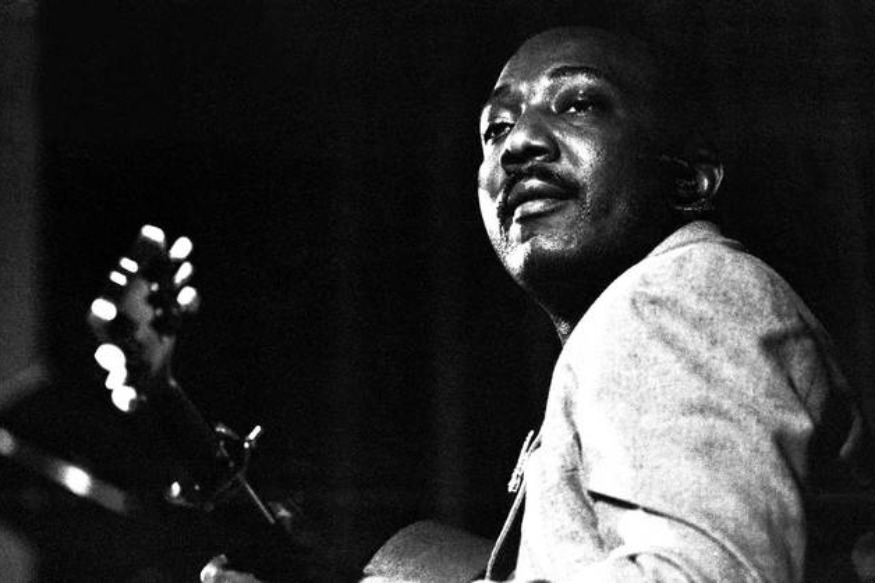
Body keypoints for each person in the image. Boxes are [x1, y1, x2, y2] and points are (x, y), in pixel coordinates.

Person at [203, 26, 868, 583]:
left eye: (577, 103)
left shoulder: (676, 294)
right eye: (495, 128)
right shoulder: (639, 323)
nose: (518, 143)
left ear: (689, 179)